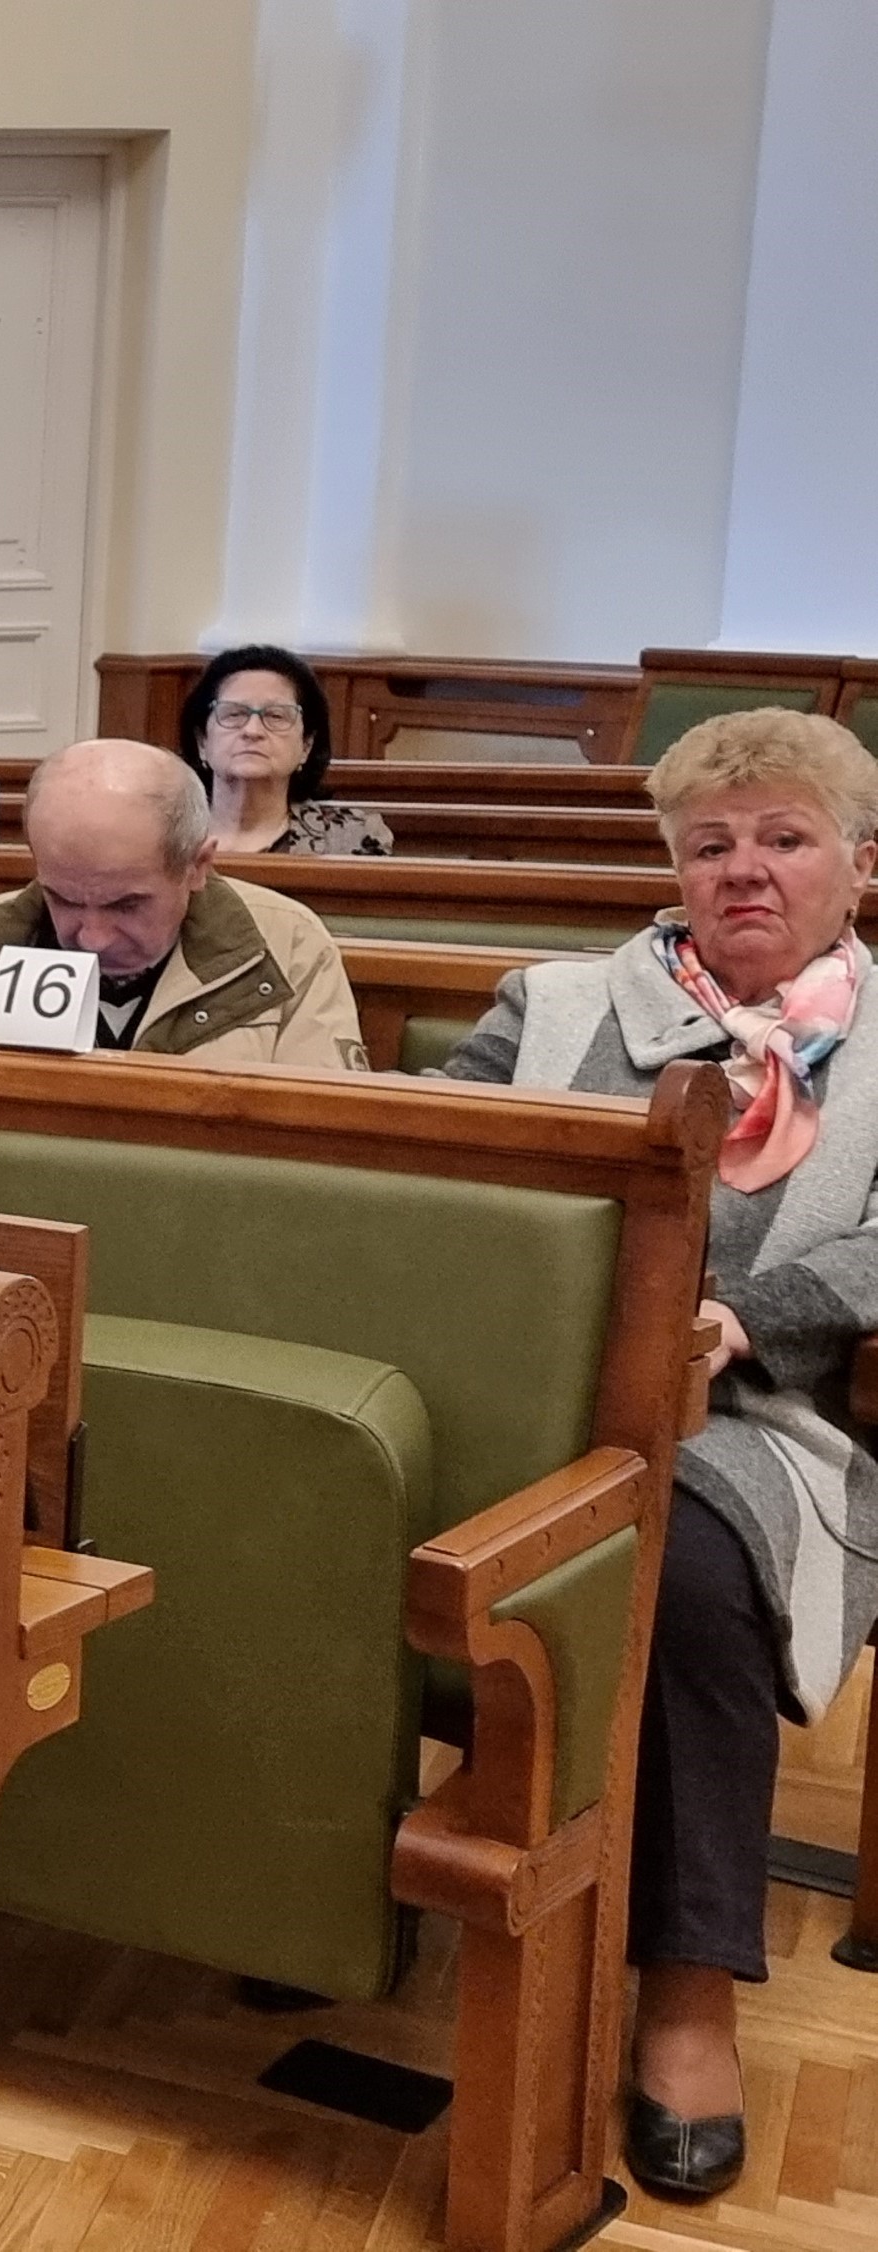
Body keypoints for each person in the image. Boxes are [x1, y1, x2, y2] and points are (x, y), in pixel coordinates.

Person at [434, 709, 878, 2202]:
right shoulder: (556, 1002)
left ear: (857, 867)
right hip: (520, 1392)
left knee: (677, 1571)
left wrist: (749, 1313)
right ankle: (333, 1873)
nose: (742, 870)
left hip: (752, 1421)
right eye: (709, 845)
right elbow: (430, 1151)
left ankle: (686, 1987)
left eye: (783, 839)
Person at [0, 737, 367, 1066]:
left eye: (126, 905)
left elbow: (317, 1155)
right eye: (64, 899)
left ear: (197, 866)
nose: (91, 937)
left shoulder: (290, 951)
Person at [175, 644, 392, 858]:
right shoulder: (166, 830)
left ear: (306, 745)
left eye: (276, 716)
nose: (252, 731)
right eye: (234, 714)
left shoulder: (351, 837)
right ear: (202, 741)